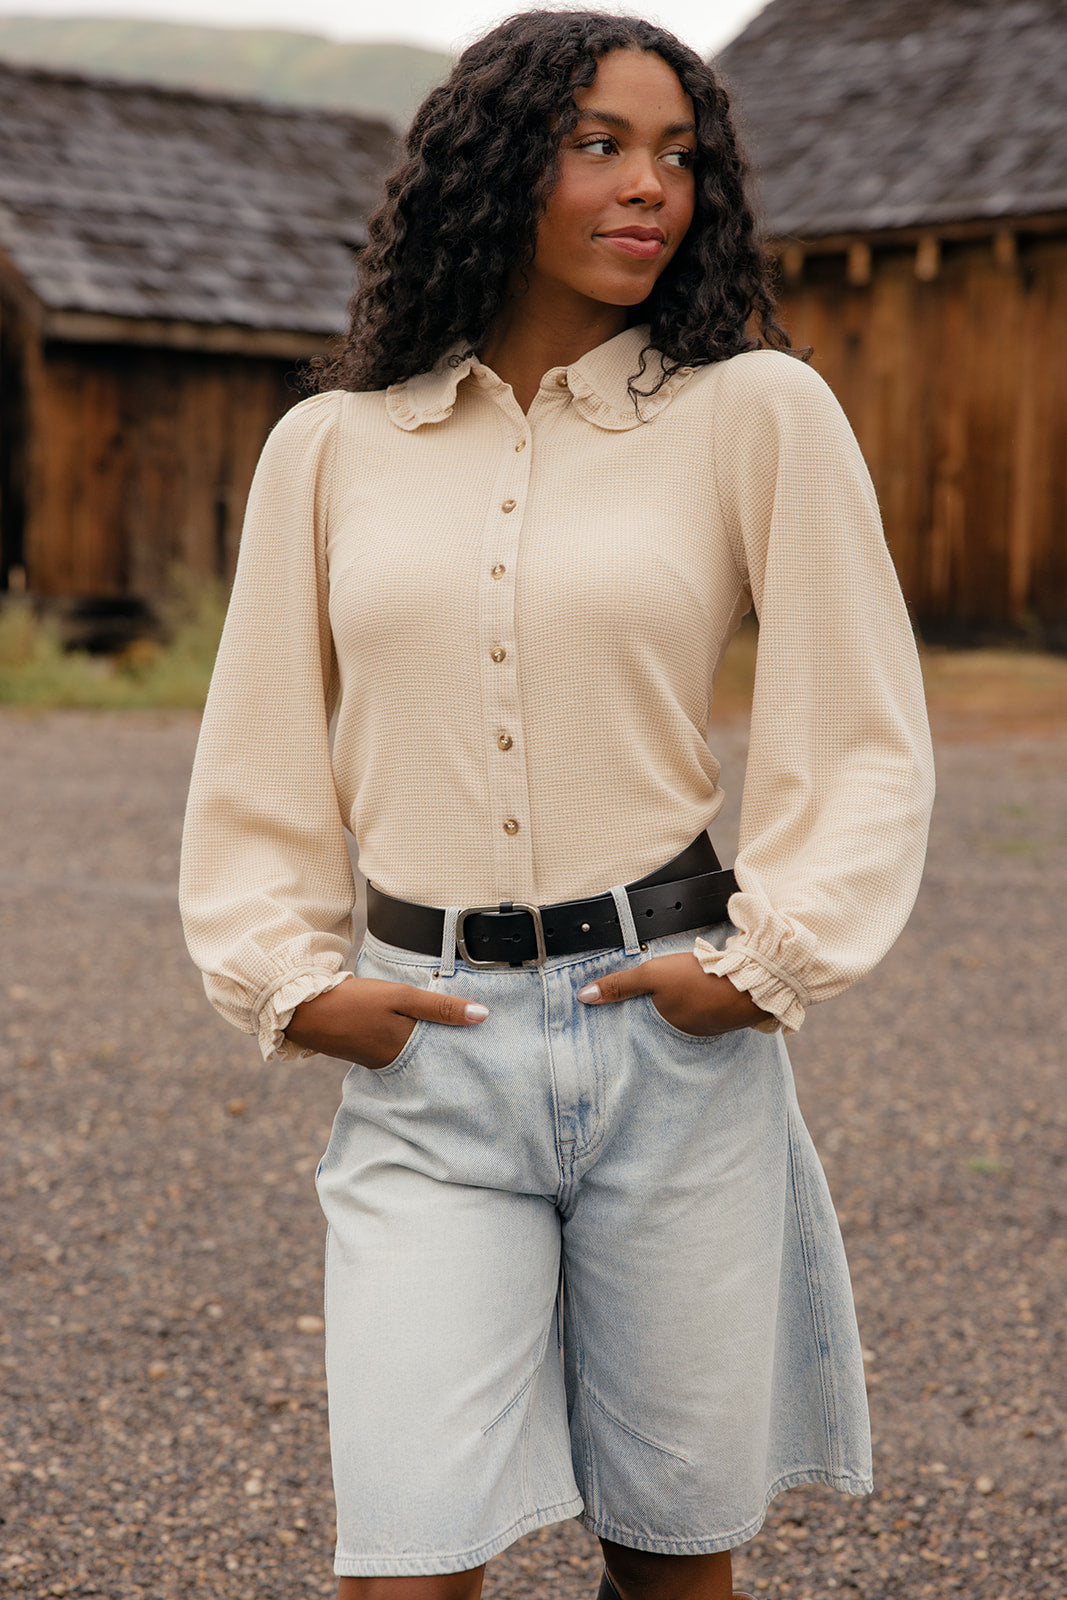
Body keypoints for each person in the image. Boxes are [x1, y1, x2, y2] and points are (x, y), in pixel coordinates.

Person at [179, 10, 935, 1599]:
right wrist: (292, 983)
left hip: (673, 1049)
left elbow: (861, 723)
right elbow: (257, 754)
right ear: (494, 168)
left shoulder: (754, 412)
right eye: (599, 145)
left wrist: (766, 961)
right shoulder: (330, 447)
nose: (650, 184)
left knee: (672, 1565)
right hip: (429, 1059)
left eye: (678, 154)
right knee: (406, 1564)